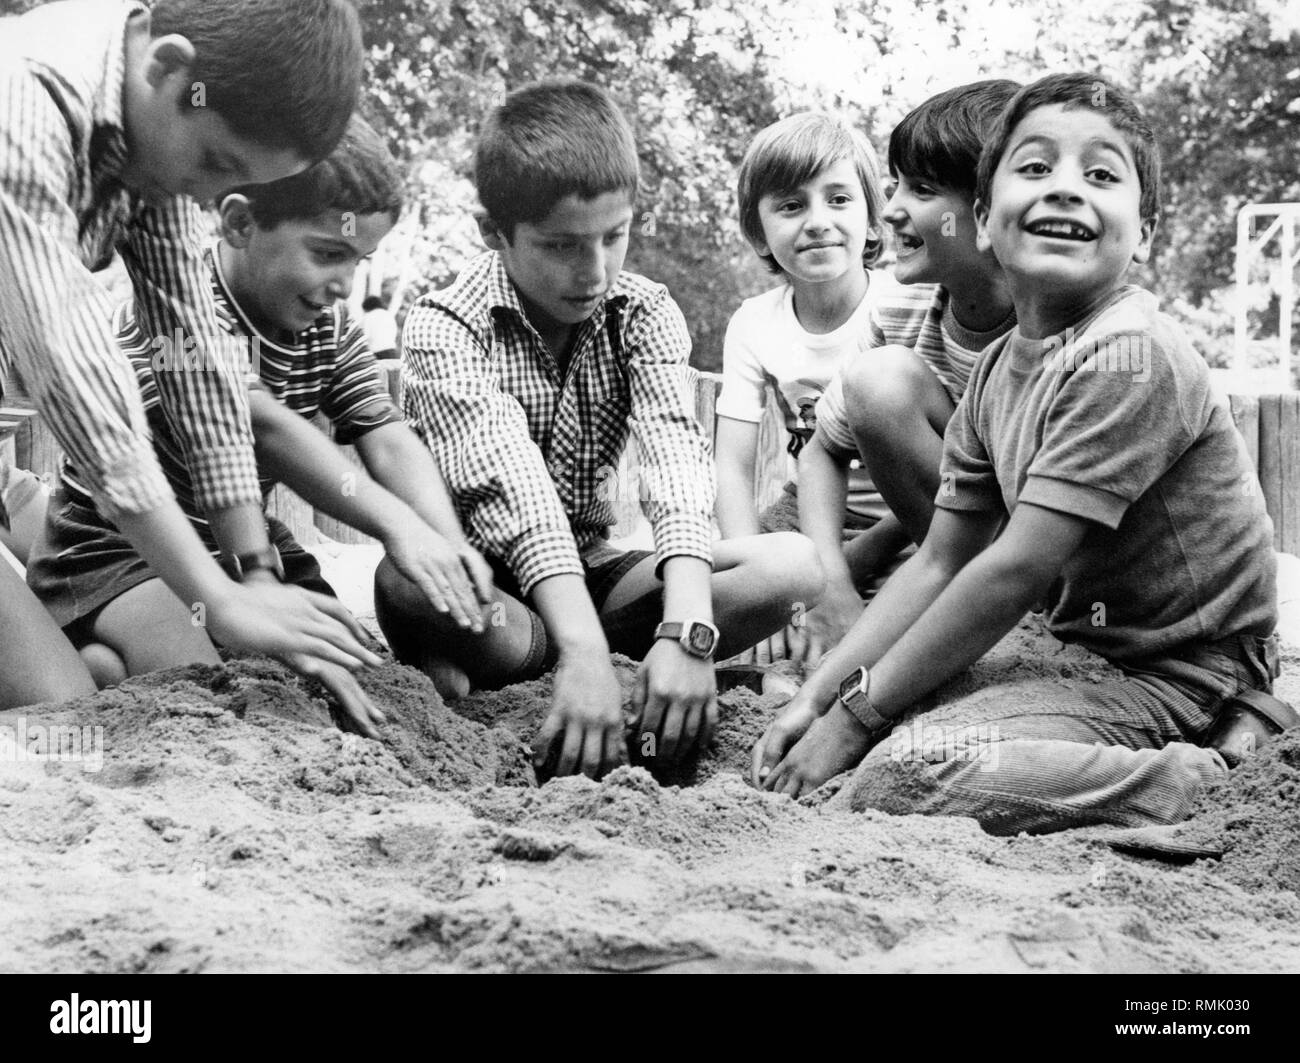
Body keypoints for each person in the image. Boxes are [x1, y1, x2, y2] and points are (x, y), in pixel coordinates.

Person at [751, 73, 1284, 836]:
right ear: (983, 214)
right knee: (896, 702)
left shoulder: (1128, 354)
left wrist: (857, 714)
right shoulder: (1003, 366)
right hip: (1075, 650)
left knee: (912, 765)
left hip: (1180, 671)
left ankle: (1203, 772)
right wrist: (821, 697)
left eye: (1101, 175)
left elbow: (1013, 570)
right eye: (1035, 168)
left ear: (1149, 226)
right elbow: (941, 559)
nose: (1066, 190)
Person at [381, 79, 825, 780]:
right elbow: (515, 486)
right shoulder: (446, 323)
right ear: (492, 231)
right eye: (560, 246)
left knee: (792, 564)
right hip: (489, 592)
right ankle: (588, 669)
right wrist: (585, 651)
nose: (593, 272)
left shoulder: (645, 310)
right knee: (409, 585)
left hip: (595, 573)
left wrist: (688, 630)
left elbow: (677, 462)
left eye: (613, 238)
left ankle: (590, 669)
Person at [27, 118, 491, 736]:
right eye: (328, 254)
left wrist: (446, 540)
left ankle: (117, 665)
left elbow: (386, 435)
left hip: (249, 546)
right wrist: (396, 523)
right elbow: (255, 422)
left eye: (360, 261)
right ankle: (111, 659)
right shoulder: (180, 298)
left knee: (351, 667)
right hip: (123, 549)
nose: (343, 285)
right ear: (241, 222)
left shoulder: (331, 329)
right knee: (206, 693)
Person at [0, 0, 379, 710]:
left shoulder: (156, 126)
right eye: (216, 164)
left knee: (80, 691)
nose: (209, 197)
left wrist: (255, 568)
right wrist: (216, 598)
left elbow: (195, 354)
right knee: (54, 714)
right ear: (170, 67)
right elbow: (75, 376)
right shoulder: (22, 98)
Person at [796, 80, 1020, 663]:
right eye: (893, 185)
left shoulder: (1058, 327)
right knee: (879, 380)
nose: (889, 208)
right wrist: (832, 584)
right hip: (954, 547)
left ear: (989, 212)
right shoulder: (900, 312)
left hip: (1045, 561)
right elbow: (822, 452)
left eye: (919, 189)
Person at [714, 113, 899, 666]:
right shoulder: (754, 322)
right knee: (755, 636)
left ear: (873, 218)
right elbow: (731, 465)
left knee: (894, 635)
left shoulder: (905, 306)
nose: (817, 222)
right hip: (804, 517)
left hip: (903, 516)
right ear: (757, 231)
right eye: (792, 206)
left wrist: (844, 571)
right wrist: (759, 577)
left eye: (839, 199)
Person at [361, 295, 400, 360]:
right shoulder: (388, 315)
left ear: (367, 307)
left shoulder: (368, 316)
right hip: (392, 352)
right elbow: (394, 333)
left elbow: (364, 337)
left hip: (377, 354)